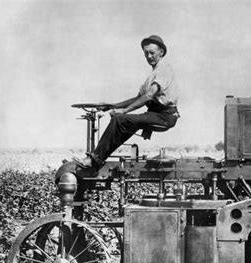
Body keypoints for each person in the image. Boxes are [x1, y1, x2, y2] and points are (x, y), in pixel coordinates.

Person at [73, 35, 179, 169]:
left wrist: (124, 111)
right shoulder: (153, 74)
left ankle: (94, 160)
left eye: (152, 52)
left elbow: (148, 96)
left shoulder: (164, 69)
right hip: (156, 115)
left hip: (164, 117)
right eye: (146, 53)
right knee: (123, 123)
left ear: (161, 52)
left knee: (119, 119)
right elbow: (137, 98)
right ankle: (97, 158)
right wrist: (112, 106)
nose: (148, 56)